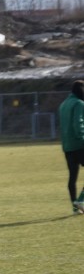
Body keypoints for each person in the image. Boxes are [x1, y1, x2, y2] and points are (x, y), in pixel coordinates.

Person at [57, 80, 84, 214]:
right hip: (80, 144)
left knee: (72, 176)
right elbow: (78, 124)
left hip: (67, 146)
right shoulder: (79, 103)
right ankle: (82, 200)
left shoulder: (63, 104)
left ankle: (75, 207)